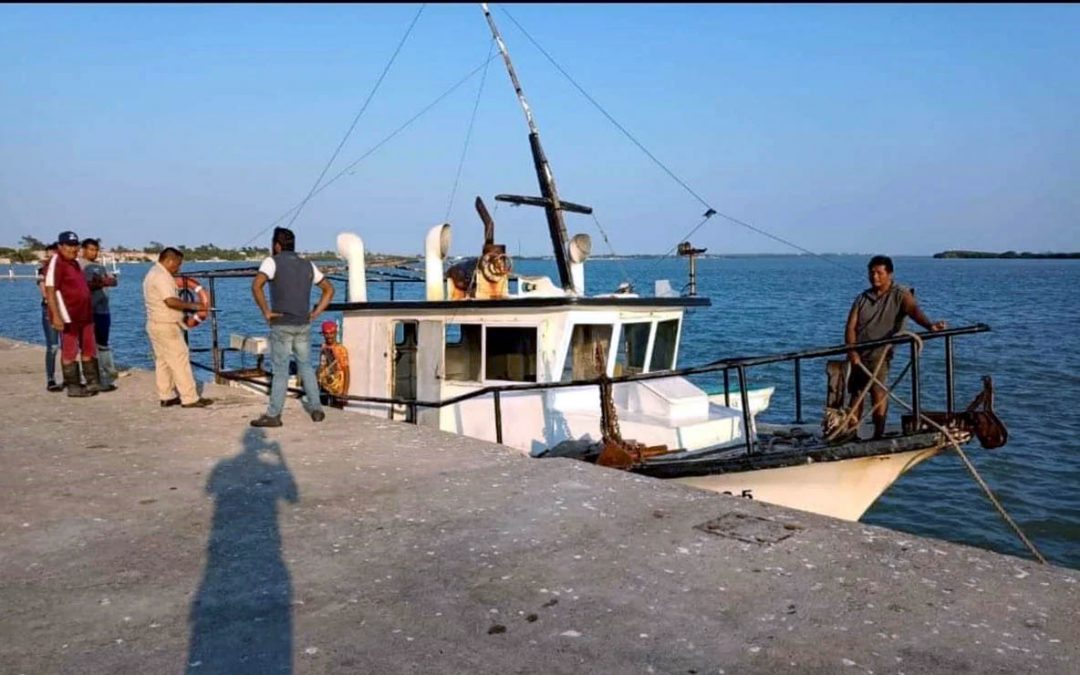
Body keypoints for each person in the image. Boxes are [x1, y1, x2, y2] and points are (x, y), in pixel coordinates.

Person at [845, 255, 946, 439]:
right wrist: (852, 351)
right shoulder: (862, 298)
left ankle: (878, 432)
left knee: (878, 392)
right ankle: (851, 433)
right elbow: (851, 326)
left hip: (881, 352)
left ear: (889, 274)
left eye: (879, 273)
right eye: (871, 272)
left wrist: (929, 326)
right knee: (856, 394)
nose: (875, 276)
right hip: (859, 352)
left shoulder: (900, 293)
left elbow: (914, 310)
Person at [249, 227, 334, 428]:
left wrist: (266, 312)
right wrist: (315, 313)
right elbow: (329, 290)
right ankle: (316, 409)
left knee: (281, 370)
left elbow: (256, 286)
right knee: (306, 366)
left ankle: (274, 415)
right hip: (303, 323)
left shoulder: (272, 262)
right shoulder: (308, 265)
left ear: (276, 245)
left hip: (282, 323)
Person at [142, 247, 213, 408]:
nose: (178, 269)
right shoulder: (161, 277)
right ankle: (190, 398)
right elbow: (170, 301)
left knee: (163, 361)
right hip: (166, 325)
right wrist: (193, 306)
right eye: (178, 264)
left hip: (154, 323)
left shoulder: (152, 273)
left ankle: (166, 395)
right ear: (170, 261)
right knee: (180, 358)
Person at [44, 231, 100, 397]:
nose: (73, 248)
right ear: (60, 246)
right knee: (69, 350)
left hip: (85, 314)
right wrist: (56, 315)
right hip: (68, 315)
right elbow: (50, 290)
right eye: (69, 245)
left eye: (75, 245)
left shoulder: (74, 263)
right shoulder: (56, 262)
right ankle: (73, 386)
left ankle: (92, 381)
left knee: (89, 347)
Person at [80, 238, 118, 392]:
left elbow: (114, 281)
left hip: (103, 310)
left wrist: (105, 281)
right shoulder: (79, 266)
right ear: (83, 249)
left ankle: (106, 374)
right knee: (87, 345)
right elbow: (83, 286)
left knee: (103, 343)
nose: (94, 253)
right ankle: (90, 377)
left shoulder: (100, 267)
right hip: (88, 311)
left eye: (96, 250)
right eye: (90, 249)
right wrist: (99, 283)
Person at [37, 242, 64, 392]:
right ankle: (51, 378)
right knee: (53, 346)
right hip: (49, 310)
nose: (49, 257)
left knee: (67, 344)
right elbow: (44, 291)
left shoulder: (65, 270)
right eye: (48, 254)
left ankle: (69, 377)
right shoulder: (43, 271)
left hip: (65, 310)